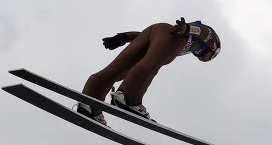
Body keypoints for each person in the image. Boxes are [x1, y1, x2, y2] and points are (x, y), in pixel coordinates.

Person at [76, 17, 221, 125]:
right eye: (213, 56)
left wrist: (124, 37)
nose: (207, 59)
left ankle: (89, 102)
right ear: (214, 48)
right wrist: (187, 29)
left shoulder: (190, 46)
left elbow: (152, 38)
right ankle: (129, 99)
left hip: (154, 30)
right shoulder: (211, 39)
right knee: (150, 66)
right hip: (173, 35)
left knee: (118, 69)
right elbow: (203, 31)